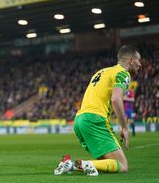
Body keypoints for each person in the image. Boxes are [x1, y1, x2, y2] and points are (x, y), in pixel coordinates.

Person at [54, 45, 141, 176]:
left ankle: (70, 165)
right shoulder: (123, 73)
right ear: (130, 61)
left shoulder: (101, 72)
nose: (140, 64)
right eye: (138, 60)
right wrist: (124, 128)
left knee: (106, 162)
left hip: (80, 120)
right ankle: (83, 164)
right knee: (123, 165)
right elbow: (116, 99)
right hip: (95, 119)